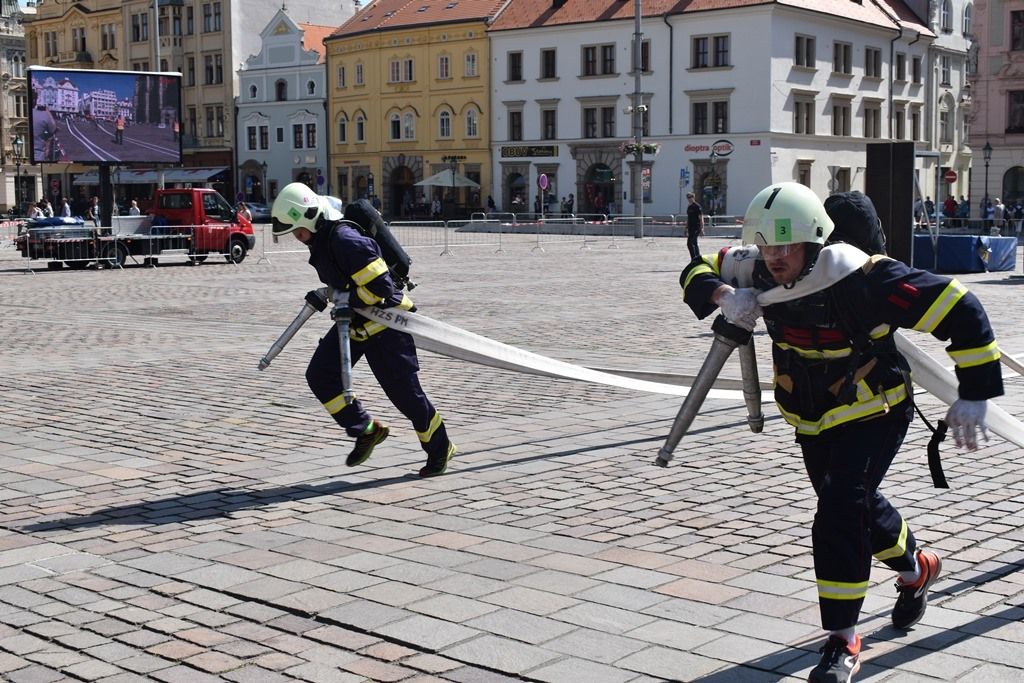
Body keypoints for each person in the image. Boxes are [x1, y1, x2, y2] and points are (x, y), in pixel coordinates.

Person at [679, 182, 1002, 683]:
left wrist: (975, 391)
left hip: (875, 410)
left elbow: (961, 307)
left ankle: (842, 639)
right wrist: (724, 294)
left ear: (814, 240)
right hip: (812, 416)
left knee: (839, 508)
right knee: (855, 505)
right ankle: (917, 568)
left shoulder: (869, 279)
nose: (774, 258)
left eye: (786, 246)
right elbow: (696, 267)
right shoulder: (755, 266)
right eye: (765, 246)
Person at [270, 182, 457, 477]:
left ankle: (440, 448)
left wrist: (345, 299)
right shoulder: (322, 240)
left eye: (298, 231)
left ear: (309, 217)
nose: (297, 237)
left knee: (407, 397)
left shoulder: (344, 239)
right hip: (356, 322)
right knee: (320, 375)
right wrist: (330, 294)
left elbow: (381, 288)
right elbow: (346, 281)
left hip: (386, 325)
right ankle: (366, 430)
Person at [685, 191, 705, 261]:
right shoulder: (689, 207)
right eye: (688, 197)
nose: (689, 199)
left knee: (690, 243)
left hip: (696, 227)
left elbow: (701, 218)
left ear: (693, 197)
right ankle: (698, 258)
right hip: (690, 227)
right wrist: (686, 228)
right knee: (694, 243)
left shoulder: (697, 206)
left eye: (690, 197)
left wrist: (702, 229)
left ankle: (694, 258)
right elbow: (688, 218)